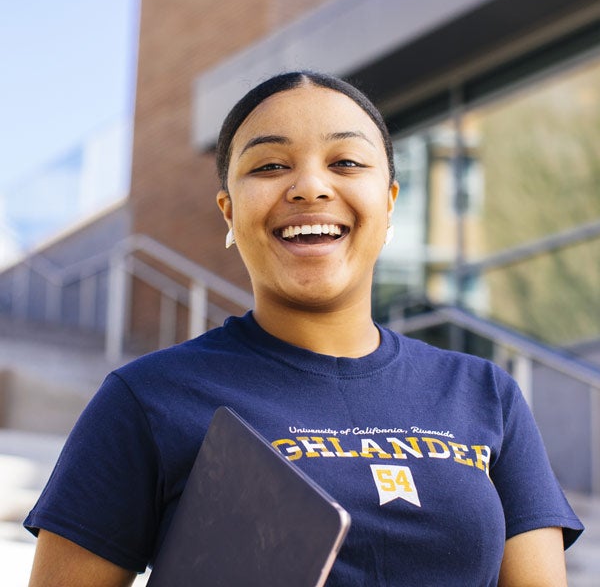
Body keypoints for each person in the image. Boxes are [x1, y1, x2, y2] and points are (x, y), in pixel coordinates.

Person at [25, 71, 583, 586]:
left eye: (346, 163)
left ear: (389, 203)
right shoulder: (147, 399)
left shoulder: (486, 395)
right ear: (229, 211)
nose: (310, 187)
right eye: (269, 166)